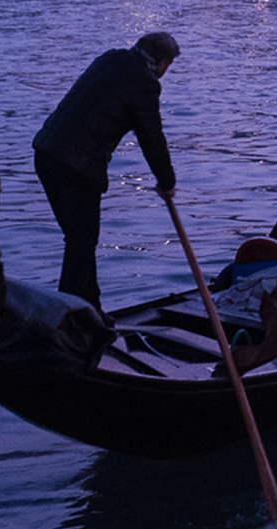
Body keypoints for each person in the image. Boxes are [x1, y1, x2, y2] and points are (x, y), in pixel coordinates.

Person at [31, 30, 181, 316]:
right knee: (81, 242)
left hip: (46, 153)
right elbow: (152, 137)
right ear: (163, 64)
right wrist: (168, 182)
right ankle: (67, 318)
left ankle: (92, 313)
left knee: (79, 242)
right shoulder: (145, 83)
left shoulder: (111, 58)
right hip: (77, 165)